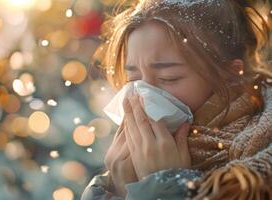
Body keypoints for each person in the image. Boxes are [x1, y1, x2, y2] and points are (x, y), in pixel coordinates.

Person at [81, 0, 272, 199]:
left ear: (231, 74)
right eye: (134, 80)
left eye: (168, 78)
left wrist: (164, 186)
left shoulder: (260, 165)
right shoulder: (128, 161)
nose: (144, 96)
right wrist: (120, 189)